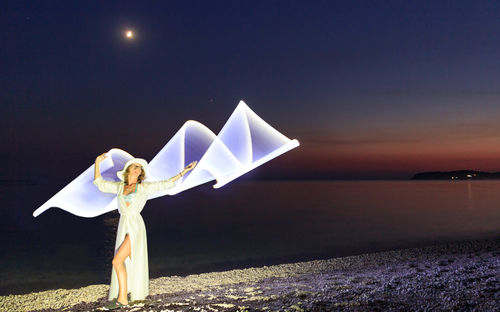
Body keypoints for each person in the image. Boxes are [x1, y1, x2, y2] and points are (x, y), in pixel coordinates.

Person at [93, 152, 197, 310]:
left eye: (140, 168)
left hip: (135, 225)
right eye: (135, 167)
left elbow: (165, 183)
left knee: (117, 261)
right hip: (124, 224)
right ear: (128, 169)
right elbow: (99, 183)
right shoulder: (120, 187)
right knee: (121, 261)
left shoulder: (143, 187)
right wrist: (97, 162)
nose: (138, 169)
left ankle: (122, 299)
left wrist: (184, 171)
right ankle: (122, 297)